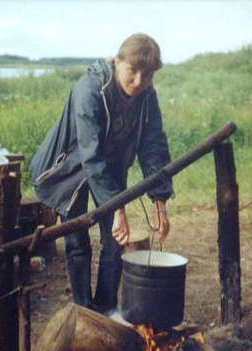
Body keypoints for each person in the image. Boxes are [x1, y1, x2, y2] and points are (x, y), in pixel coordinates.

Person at [29, 33, 173, 314]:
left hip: (109, 167)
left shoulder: (146, 94)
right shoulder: (90, 90)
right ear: (117, 61)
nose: (138, 81)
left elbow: (153, 145)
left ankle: (106, 310)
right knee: (78, 239)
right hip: (68, 169)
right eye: (132, 70)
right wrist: (116, 206)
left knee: (115, 240)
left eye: (147, 75)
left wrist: (160, 203)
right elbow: (90, 156)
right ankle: (84, 311)